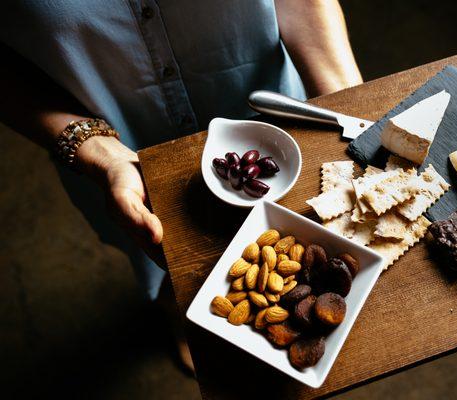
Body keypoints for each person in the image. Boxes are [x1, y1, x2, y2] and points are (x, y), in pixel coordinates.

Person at [0, 0, 362, 371]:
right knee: (161, 257)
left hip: (278, 118)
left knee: (302, 233)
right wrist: (98, 151)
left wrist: (350, 107)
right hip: (115, 139)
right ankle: (177, 306)